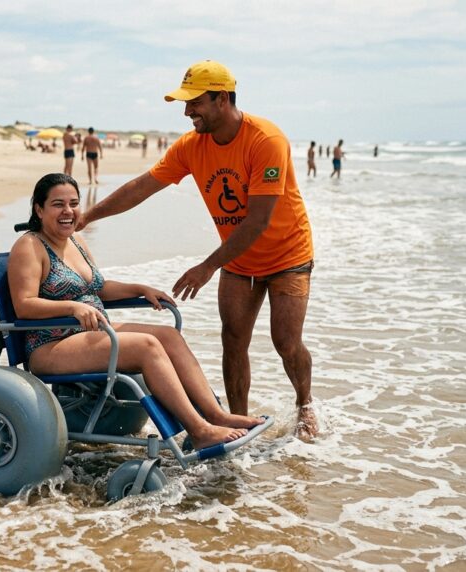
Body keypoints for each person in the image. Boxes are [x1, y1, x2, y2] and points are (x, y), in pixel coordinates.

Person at [78, 60, 318, 440]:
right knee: (233, 340)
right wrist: (89, 215)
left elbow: (257, 221)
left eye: (194, 102)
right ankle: (238, 421)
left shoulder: (265, 140)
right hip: (238, 262)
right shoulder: (192, 146)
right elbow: (142, 187)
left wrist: (206, 267)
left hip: (288, 258)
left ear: (222, 98)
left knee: (286, 343)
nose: (187, 111)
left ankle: (304, 404)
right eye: (185, 103)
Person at [9, 173, 265, 449]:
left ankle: (216, 415)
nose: (68, 212)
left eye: (74, 203)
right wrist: (72, 306)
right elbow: (24, 305)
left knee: (169, 336)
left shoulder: (76, 242)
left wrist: (140, 288)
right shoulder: (30, 246)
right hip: (50, 345)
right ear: (39, 208)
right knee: (146, 346)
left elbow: (99, 288)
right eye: (58, 204)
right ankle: (200, 430)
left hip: (90, 333)